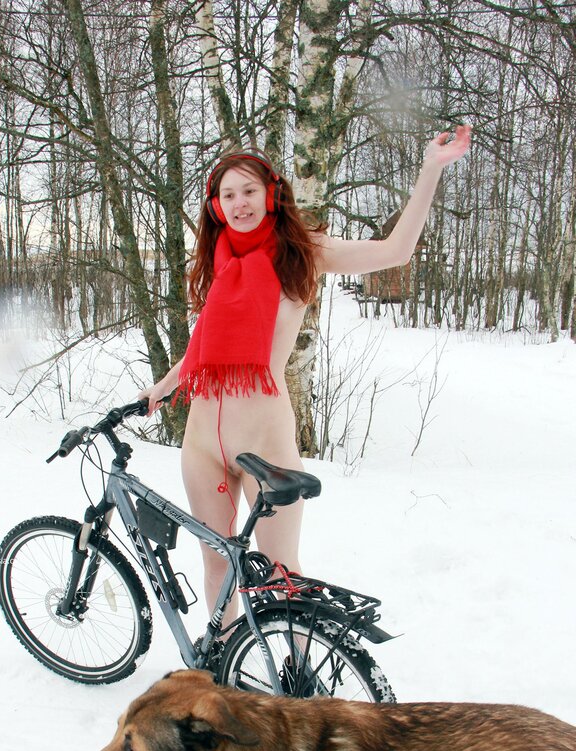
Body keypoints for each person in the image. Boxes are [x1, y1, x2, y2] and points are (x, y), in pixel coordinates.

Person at [140, 128, 471, 623]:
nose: (240, 203)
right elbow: (204, 347)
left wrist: (430, 170)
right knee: (217, 566)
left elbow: (396, 250)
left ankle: (298, 667)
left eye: (249, 190)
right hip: (202, 442)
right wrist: (163, 388)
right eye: (228, 195)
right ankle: (224, 662)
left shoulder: (303, 250)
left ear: (271, 195)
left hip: (265, 441)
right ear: (216, 207)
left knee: (282, 573)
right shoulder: (219, 259)